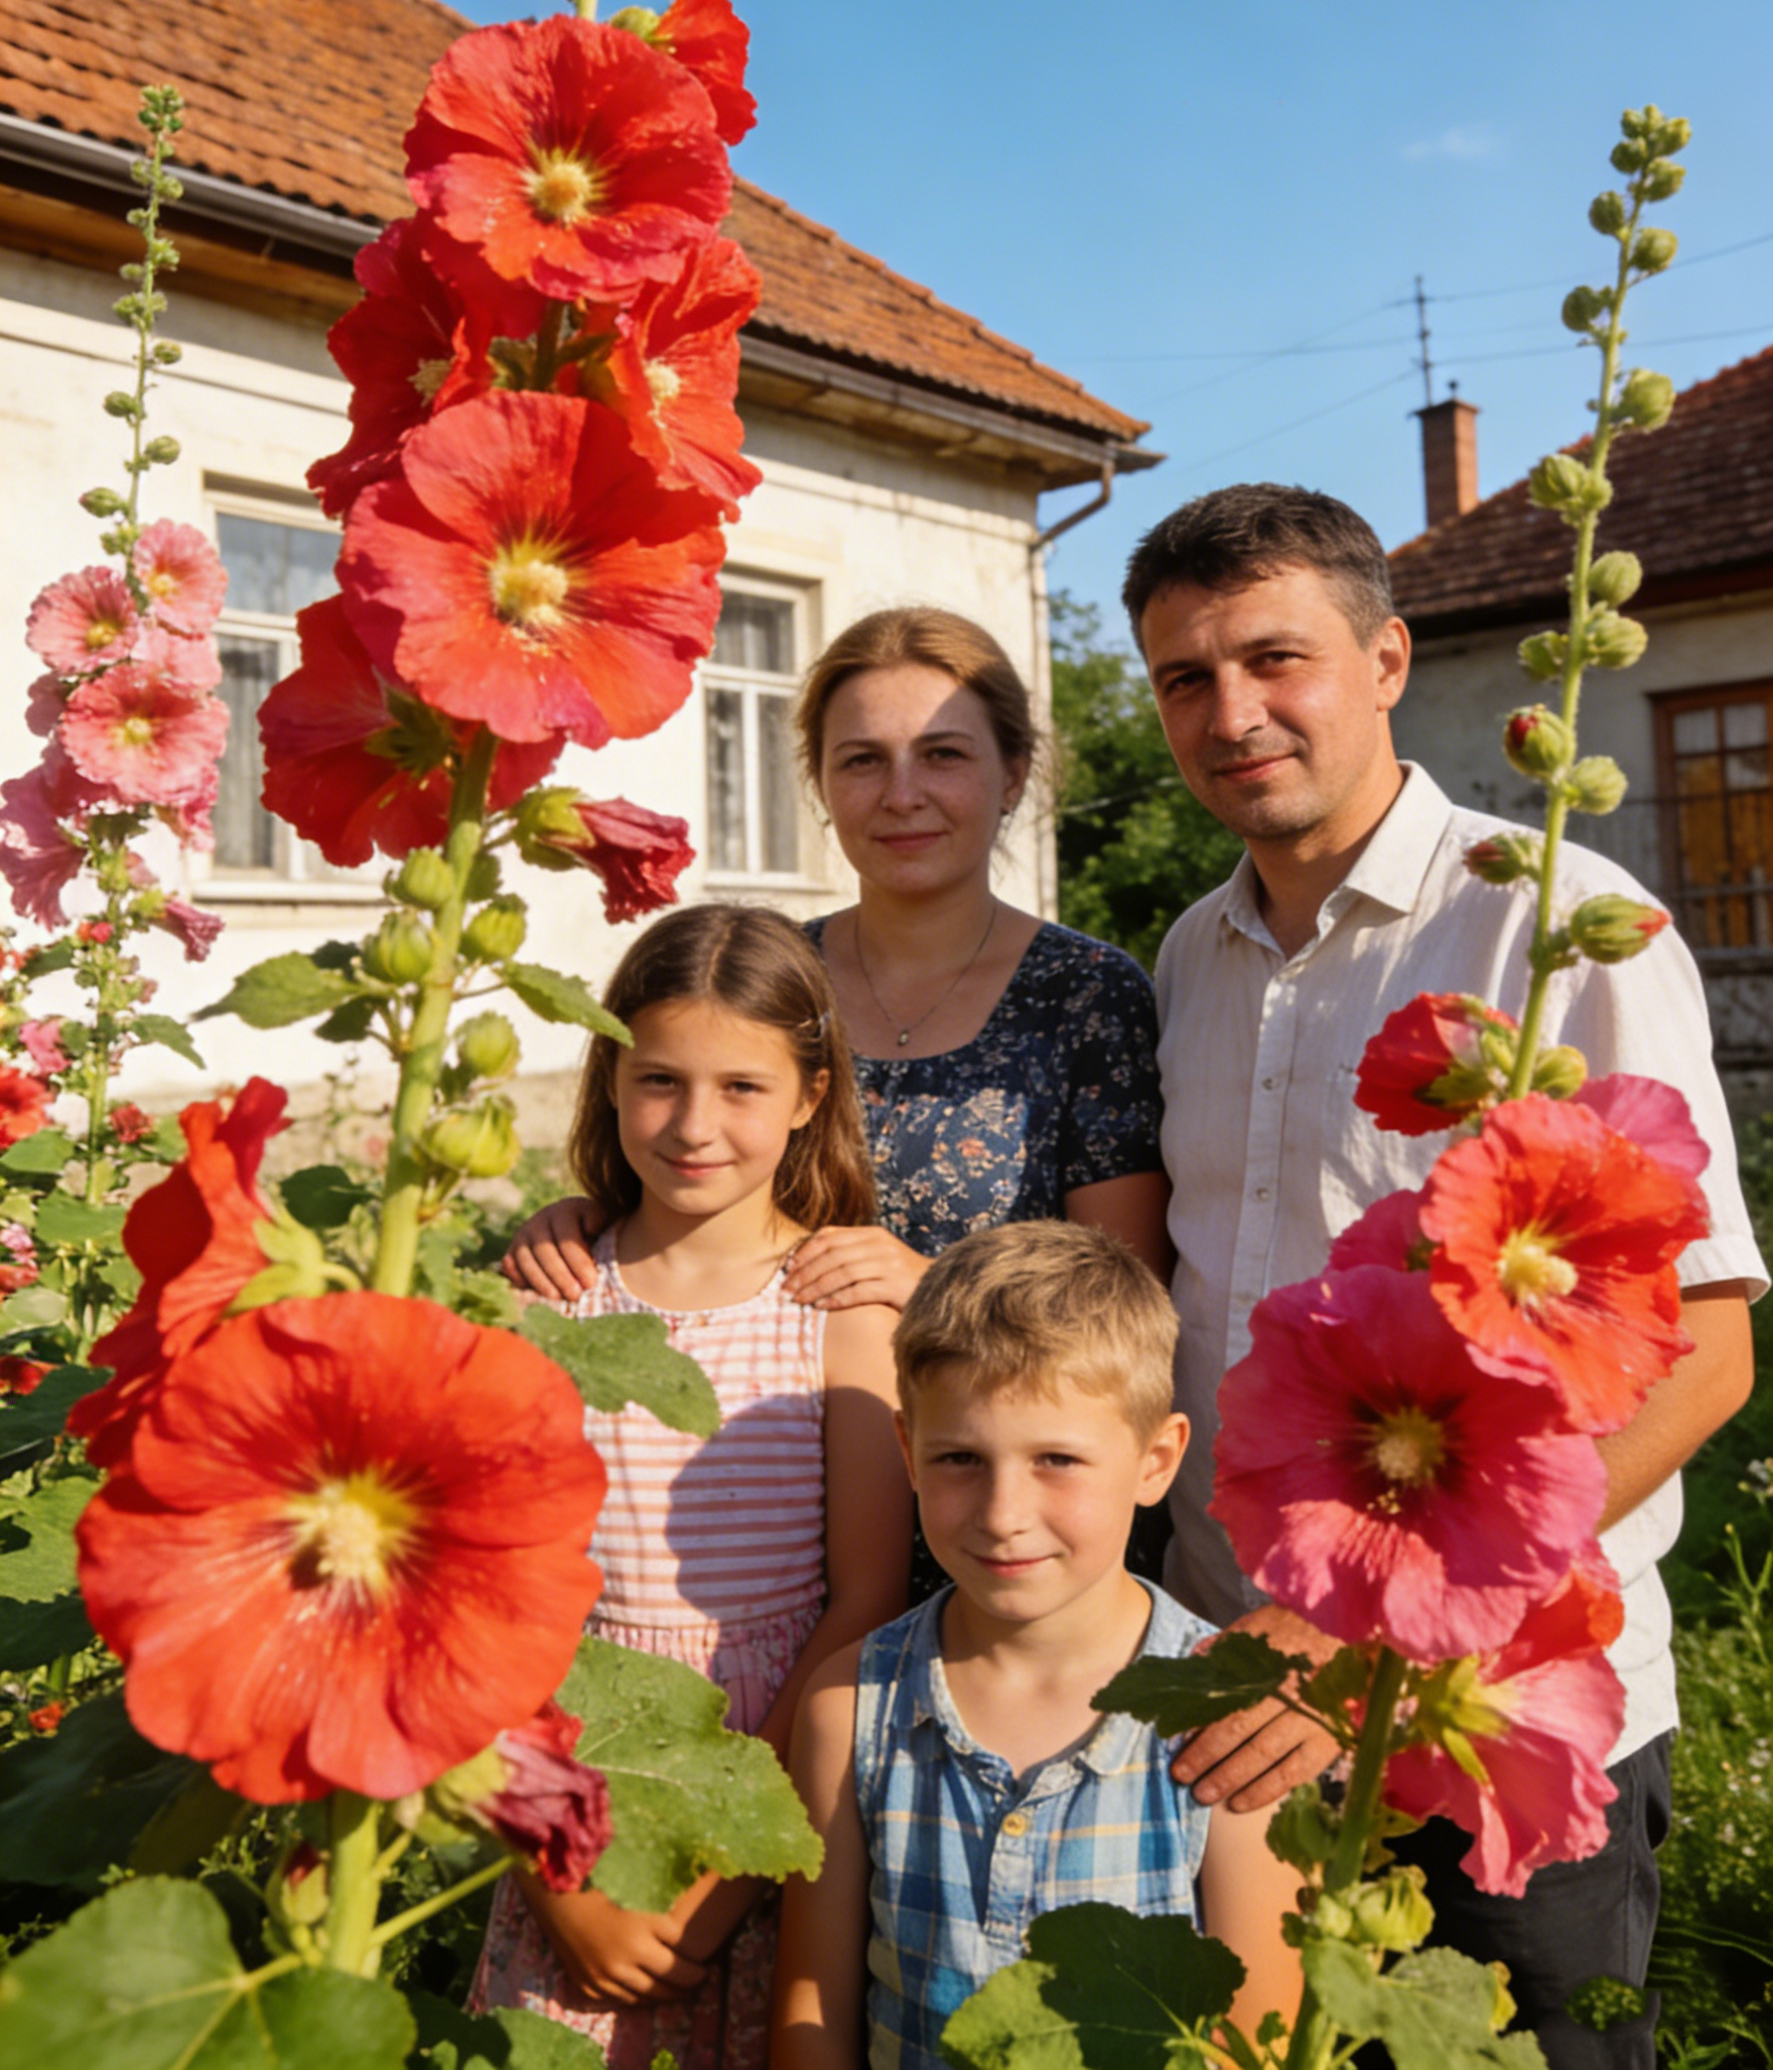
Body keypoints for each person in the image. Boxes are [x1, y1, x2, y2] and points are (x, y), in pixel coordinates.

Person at [1120, 482, 1765, 2067]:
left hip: (1495, 1707)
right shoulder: (1185, 959)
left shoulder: (1552, 926)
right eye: (1185, 679)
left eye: (1278, 659)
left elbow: (1701, 1350)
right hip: (1240, 1695)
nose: (1233, 714)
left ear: (1388, 658)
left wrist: (1367, 1639)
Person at [472, 904, 912, 2070]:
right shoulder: (548, 1301)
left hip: (777, 1788)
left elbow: (863, 1604)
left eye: (742, 1089)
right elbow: (478, 1609)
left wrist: (718, 1885)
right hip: (572, 1776)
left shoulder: (841, 1311)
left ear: (813, 1094)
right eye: (659, 1080)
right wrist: (559, 1870)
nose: (695, 1126)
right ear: (610, 1081)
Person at [508, 606, 1170, 1305]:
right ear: (820, 782)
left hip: (982, 1407)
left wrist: (930, 1284)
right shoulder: (765, 974)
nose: (901, 795)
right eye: (862, 761)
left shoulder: (1088, 995)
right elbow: (675, 1165)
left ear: (1011, 776)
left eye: (943, 755)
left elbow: (1131, 1297)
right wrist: (581, 1230)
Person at [769, 1221, 1302, 2070]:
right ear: (906, 1450)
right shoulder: (850, 1706)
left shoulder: (1224, 1721)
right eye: (959, 1459)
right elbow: (814, 2001)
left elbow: (1256, 2041)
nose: (1001, 1513)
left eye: (1056, 1458)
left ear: (1156, 1459)